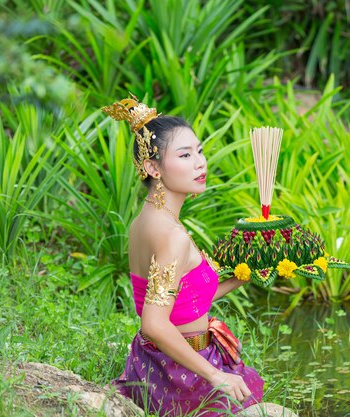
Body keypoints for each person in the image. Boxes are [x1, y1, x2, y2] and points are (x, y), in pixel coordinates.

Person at [102, 96, 291, 417]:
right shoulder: (171, 236)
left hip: (152, 361)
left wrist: (242, 277)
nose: (200, 162)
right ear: (152, 167)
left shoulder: (146, 222)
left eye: (200, 151)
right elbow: (154, 323)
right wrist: (217, 376)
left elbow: (183, 301)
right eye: (185, 155)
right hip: (180, 373)